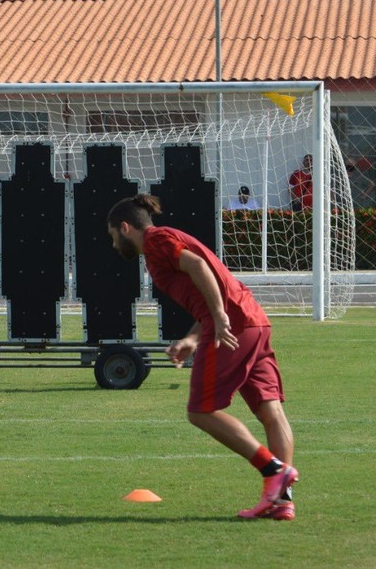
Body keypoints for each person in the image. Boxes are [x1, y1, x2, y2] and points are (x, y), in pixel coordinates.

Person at [106, 194, 298, 520]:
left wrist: (220, 318)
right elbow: (210, 286)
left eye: (113, 236)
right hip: (254, 321)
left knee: (200, 411)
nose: (114, 245)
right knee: (271, 411)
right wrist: (192, 338)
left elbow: (198, 266)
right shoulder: (164, 240)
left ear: (125, 227)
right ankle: (281, 502)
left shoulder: (156, 240)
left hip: (232, 326)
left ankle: (274, 469)